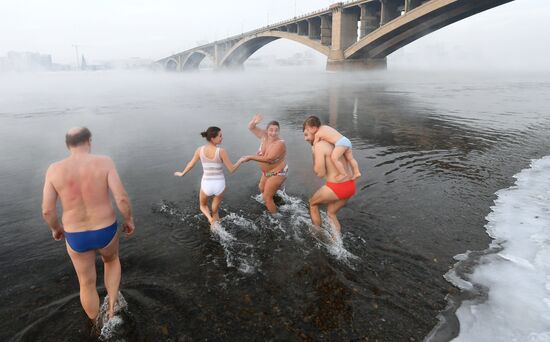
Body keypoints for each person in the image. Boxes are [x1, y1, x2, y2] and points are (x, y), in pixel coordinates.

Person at [41, 127, 135, 324]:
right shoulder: (104, 162)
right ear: (89, 140)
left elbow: (47, 210)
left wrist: (56, 228)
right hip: (106, 230)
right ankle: (111, 311)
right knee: (111, 261)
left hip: (76, 235)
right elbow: (122, 198)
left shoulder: (54, 169)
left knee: (86, 283)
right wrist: (129, 220)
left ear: (67, 145)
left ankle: (95, 324)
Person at [174, 126, 244, 226]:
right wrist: (240, 161)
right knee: (215, 210)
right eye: (220, 136)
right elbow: (231, 169)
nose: (222, 138)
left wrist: (182, 173)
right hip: (219, 184)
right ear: (212, 138)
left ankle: (209, 218)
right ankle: (216, 224)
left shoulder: (200, 150)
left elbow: (191, 163)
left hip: (206, 184)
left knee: (202, 205)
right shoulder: (221, 151)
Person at [303, 120, 357, 241]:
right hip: (350, 185)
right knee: (331, 213)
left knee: (312, 204)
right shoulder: (335, 142)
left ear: (314, 129)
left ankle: (316, 235)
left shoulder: (319, 146)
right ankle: (337, 244)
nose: (305, 139)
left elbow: (320, 173)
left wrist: (313, 154)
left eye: (306, 134)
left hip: (337, 187)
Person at [241, 114, 288, 214]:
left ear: (279, 131)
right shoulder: (264, 136)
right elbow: (251, 127)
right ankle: (277, 200)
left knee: (266, 197)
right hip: (268, 173)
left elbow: (269, 159)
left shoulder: (280, 143)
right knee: (262, 188)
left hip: (278, 173)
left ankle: (277, 218)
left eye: (276, 130)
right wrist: (254, 122)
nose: (273, 133)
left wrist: (250, 157)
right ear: (266, 130)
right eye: (271, 130)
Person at [302, 115, 361, 181]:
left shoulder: (318, 136)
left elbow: (315, 144)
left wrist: (313, 149)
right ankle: (357, 172)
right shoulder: (325, 127)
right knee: (351, 159)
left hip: (340, 143)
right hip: (346, 140)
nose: (305, 139)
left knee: (334, 158)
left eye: (308, 130)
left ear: (314, 128)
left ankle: (343, 174)